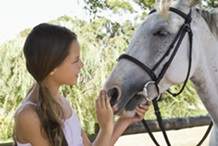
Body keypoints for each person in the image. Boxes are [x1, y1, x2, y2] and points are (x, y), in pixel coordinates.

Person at [13, 23, 151, 146]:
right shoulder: (29, 116)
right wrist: (105, 127)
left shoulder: (61, 101)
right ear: (53, 67)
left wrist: (124, 121)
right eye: (75, 60)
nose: (82, 65)